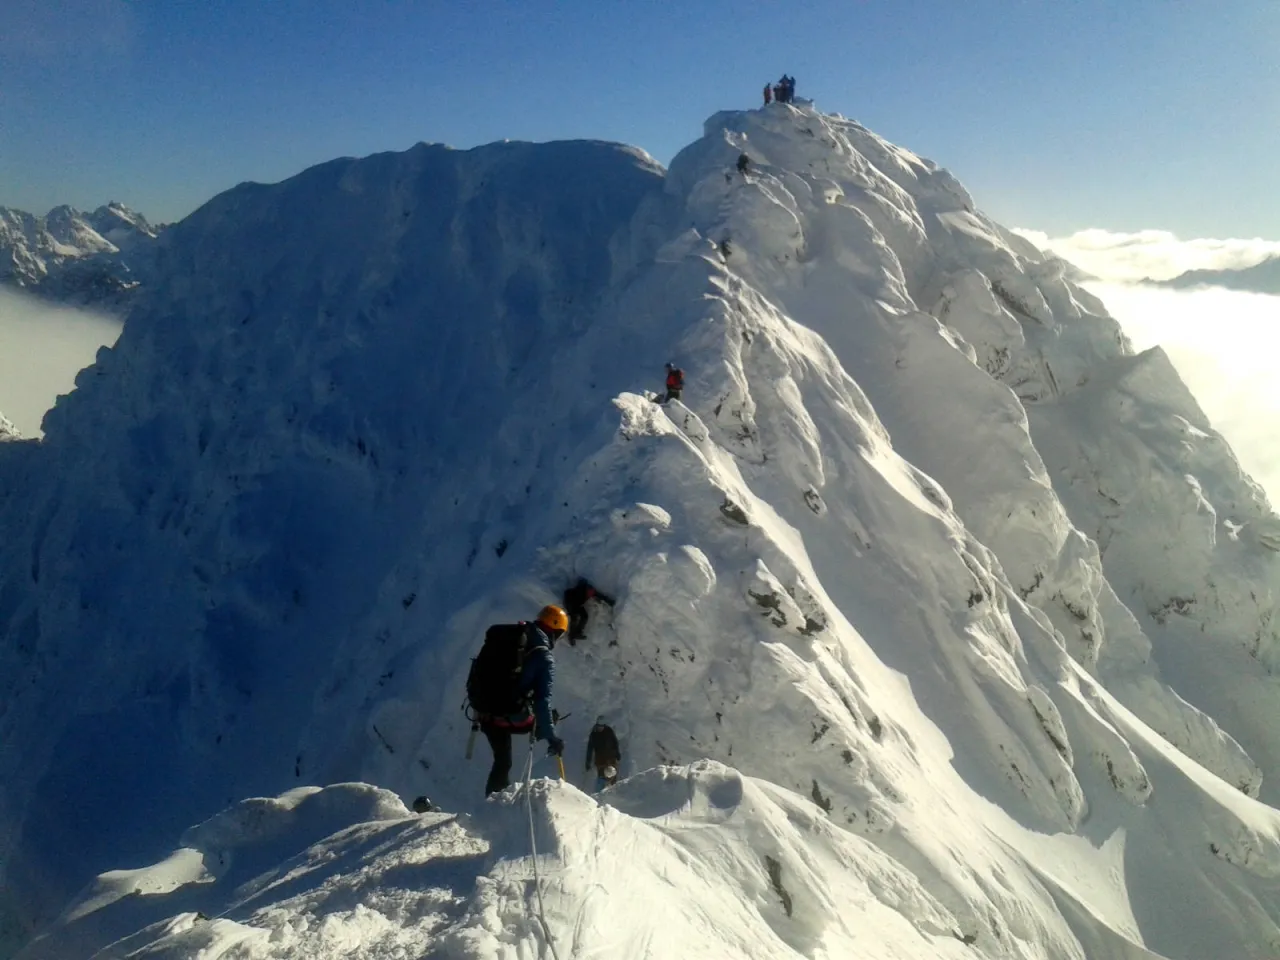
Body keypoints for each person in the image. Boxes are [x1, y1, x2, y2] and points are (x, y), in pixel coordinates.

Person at [469, 604, 568, 797]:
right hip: (511, 713)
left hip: (484, 711)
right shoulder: (542, 655)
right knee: (547, 716)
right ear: (556, 630)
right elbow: (542, 700)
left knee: (503, 761)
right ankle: (500, 805)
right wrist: (551, 736)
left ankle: (491, 804)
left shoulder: (510, 637)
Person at [563, 577, 616, 645]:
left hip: (578, 604)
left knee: (585, 616)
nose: (591, 596)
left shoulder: (591, 591)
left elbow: (600, 596)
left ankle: (579, 632)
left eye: (591, 594)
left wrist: (610, 602)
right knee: (574, 618)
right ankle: (571, 636)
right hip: (570, 602)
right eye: (589, 594)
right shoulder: (580, 591)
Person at [585, 718, 621, 791]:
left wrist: (617, 753)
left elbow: (615, 742)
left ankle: (614, 791)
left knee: (612, 775)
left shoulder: (609, 731)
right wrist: (588, 761)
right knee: (601, 777)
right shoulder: (594, 734)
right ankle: (599, 794)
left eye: (602, 726)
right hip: (600, 760)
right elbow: (590, 749)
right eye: (599, 726)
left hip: (611, 758)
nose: (600, 728)